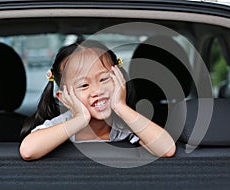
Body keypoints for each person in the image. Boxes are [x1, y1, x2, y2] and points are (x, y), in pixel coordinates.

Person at [19, 40, 176, 161]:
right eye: (84, 85)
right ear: (63, 97)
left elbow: (167, 149)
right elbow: (28, 151)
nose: (97, 91)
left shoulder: (125, 125)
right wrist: (80, 119)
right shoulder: (61, 124)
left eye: (104, 79)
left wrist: (121, 106)